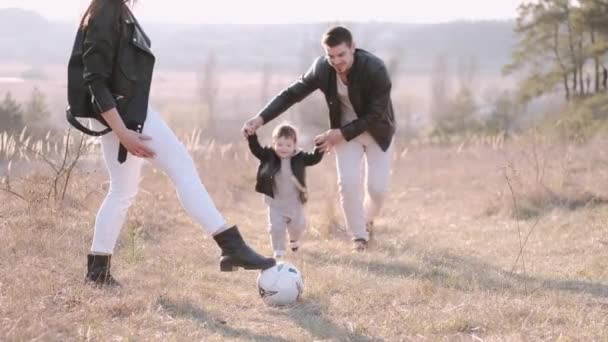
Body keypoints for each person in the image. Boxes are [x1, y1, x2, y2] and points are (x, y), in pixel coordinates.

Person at [69, 0, 275, 286]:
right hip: (123, 116)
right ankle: (231, 246)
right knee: (179, 168)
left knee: (123, 190)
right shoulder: (106, 11)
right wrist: (124, 133)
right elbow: (95, 81)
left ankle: (98, 271)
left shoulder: (115, 10)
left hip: (128, 112)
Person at [242, 26, 395, 252]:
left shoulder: (375, 69)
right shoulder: (323, 68)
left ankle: (366, 219)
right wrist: (260, 119)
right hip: (343, 136)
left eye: (341, 54)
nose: (336, 61)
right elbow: (291, 94)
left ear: (353, 47)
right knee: (348, 184)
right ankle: (359, 238)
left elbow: (376, 114)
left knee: (378, 189)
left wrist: (339, 134)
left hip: (377, 132)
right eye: (330, 56)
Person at [247, 123, 323, 258]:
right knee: (276, 228)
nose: (283, 148)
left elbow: (314, 158)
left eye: (288, 145)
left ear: (295, 145)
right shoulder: (269, 155)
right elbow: (256, 150)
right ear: (274, 143)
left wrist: (319, 147)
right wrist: (252, 136)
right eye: (280, 144)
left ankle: (294, 239)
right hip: (276, 203)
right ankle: (279, 251)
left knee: (298, 226)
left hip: (295, 203)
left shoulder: (300, 157)